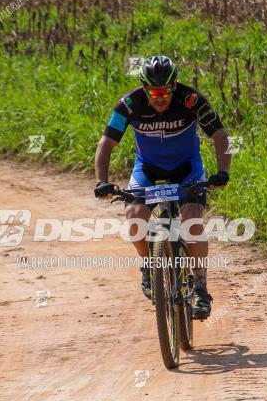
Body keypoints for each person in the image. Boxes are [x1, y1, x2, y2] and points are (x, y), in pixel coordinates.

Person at [94, 55, 231, 320]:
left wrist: (222, 172)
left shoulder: (191, 100)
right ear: (144, 88)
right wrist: (102, 180)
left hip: (187, 168)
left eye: (166, 92)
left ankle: (200, 286)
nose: (160, 97)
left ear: (174, 86)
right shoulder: (129, 104)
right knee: (134, 218)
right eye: (154, 92)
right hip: (148, 169)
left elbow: (220, 135)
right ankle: (148, 264)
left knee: (192, 221)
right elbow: (106, 143)